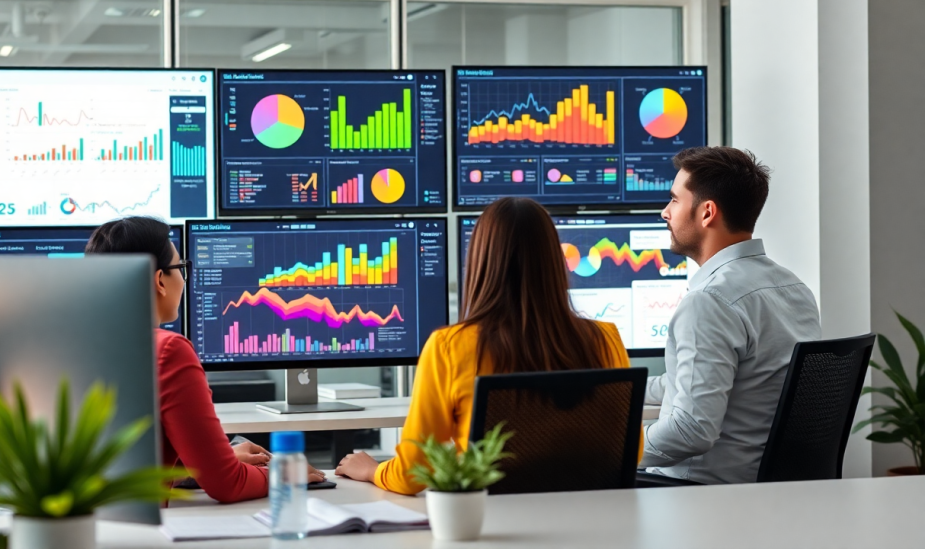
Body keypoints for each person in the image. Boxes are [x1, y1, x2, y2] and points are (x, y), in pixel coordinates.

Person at [335, 197, 635, 494]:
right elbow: (627, 452)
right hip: (592, 524)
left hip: (495, 527)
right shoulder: (604, 338)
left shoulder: (449, 347)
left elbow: (415, 471)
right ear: (554, 262)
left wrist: (374, 470)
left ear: (479, 262)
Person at [85, 216, 325, 503]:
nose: (184, 279)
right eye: (180, 267)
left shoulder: (78, 345)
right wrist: (286, 473)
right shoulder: (168, 350)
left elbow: (120, 468)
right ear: (159, 280)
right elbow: (228, 484)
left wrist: (201, 466)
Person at [641, 146, 821, 484]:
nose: (665, 212)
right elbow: (691, 380)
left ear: (707, 212)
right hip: (764, 489)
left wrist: (615, 447)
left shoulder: (709, 301)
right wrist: (616, 395)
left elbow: (691, 431)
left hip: (695, 491)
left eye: (675, 200)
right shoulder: (793, 288)